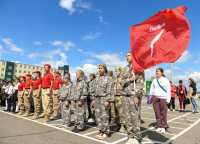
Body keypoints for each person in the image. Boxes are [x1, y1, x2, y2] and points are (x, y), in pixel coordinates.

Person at [123, 52, 145, 144]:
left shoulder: (138, 67)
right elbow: (121, 81)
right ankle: (130, 135)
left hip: (134, 95)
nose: (127, 57)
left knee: (135, 117)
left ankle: (137, 137)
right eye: (126, 56)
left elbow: (140, 83)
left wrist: (137, 95)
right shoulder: (125, 68)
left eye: (129, 55)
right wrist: (129, 79)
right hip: (126, 95)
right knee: (127, 117)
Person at [93, 64, 113, 140]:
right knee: (98, 116)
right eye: (99, 68)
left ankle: (106, 132)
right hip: (97, 99)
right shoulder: (97, 79)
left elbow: (110, 90)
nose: (99, 69)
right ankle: (100, 130)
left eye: (101, 68)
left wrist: (108, 100)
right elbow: (95, 90)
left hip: (104, 99)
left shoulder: (108, 78)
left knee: (105, 116)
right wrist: (94, 99)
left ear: (105, 69)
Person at [150, 68, 171, 134]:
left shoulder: (165, 80)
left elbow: (168, 89)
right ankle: (159, 126)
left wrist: (168, 99)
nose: (157, 72)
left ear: (162, 72)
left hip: (163, 98)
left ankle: (163, 127)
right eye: (156, 71)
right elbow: (152, 89)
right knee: (157, 113)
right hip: (155, 98)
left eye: (158, 71)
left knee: (163, 113)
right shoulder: (154, 80)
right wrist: (151, 96)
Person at [112, 66, 126, 133]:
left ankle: (123, 126)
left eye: (117, 71)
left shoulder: (122, 79)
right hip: (115, 97)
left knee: (121, 113)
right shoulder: (114, 79)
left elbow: (125, 88)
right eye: (115, 71)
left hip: (121, 97)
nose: (116, 72)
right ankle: (117, 125)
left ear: (120, 71)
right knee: (115, 113)